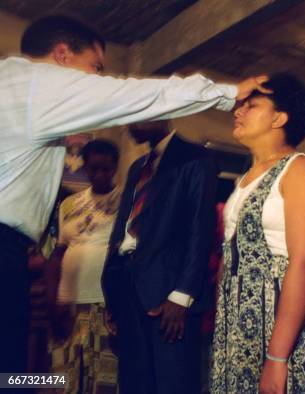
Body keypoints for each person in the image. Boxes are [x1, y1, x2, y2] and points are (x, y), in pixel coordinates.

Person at [0, 14, 268, 373]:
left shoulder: (12, 84)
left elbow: (197, 231)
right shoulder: (40, 85)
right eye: (94, 67)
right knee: (13, 370)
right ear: (62, 55)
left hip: (35, 258)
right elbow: (137, 95)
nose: (97, 79)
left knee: (16, 369)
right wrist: (228, 92)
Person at [210, 73, 305, 393]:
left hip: (280, 318)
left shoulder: (301, 169)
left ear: (279, 118)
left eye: (251, 105)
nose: (237, 111)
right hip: (238, 319)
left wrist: (277, 357)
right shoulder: (244, 180)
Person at [100, 120, 217, 394]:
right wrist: (113, 293)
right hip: (125, 287)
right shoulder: (137, 167)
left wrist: (182, 295)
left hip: (168, 296)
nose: (129, 123)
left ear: (163, 113)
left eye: (139, 113)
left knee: (171, 383)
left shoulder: (196, 158)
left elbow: (200, 230)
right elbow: (123, 228)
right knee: (134, 381)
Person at [45, 139, 121, 393]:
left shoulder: (124, 201)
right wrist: (54, 298)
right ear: (86, 167)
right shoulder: (69, 204)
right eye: (94, 168)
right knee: (64, 377)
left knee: (102, 379)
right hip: (69, 304)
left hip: (104, 304)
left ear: (115, 168)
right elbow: (57, 254)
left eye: (106, 169)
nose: (100, 174)